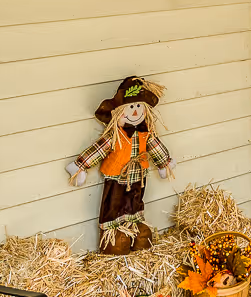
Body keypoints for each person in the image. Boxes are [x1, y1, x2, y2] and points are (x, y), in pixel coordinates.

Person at [69, 76, 176, 238]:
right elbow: (98, 149)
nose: (135, 111)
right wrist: (80, 166)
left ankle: (134, 227)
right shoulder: (115, 135)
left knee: (136, 200)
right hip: (116, 176)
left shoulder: (146, 133)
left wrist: (164, 163)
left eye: (139, 106)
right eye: (131, 106)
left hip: (139, 175)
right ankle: (114, 234)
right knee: (113, 203)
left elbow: (156, 148)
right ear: (119, 112)